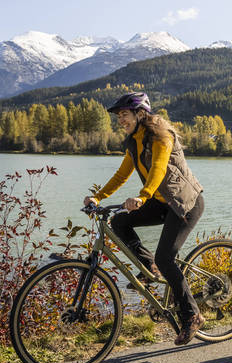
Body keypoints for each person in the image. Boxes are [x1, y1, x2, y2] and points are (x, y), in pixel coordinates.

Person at [84, 91, 206, 346]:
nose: (121, 120)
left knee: (166, 256)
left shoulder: (161, 136)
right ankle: (150, 268)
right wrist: (97, 197)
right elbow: (122, 174)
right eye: (119, 117)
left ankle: (192, 315)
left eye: (124, 115)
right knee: (119, 222)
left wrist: (142, 196)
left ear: (140, 114)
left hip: (184, 203)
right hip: (160, 203)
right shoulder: (134, 141)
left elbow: (159, 169)